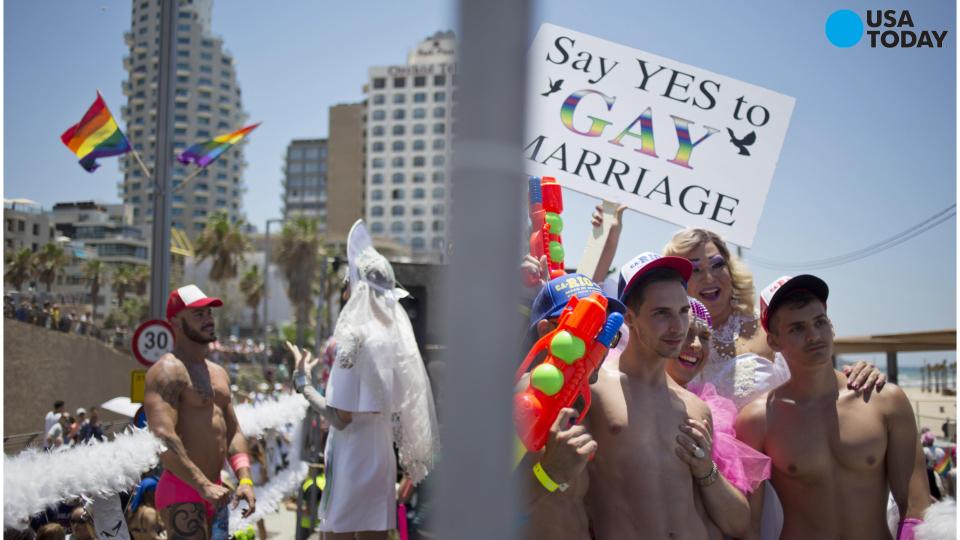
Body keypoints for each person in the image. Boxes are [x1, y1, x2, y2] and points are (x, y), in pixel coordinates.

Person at [528, 253, 750, 539]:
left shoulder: (696, 408)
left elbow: (736, 522)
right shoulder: (590, 391)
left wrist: (706, 470)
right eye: (662, 313)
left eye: (683, 311)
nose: (677, 326)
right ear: (630, 318)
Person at [736, 275, 930, 539]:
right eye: (797, 328)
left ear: (832, 326)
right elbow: (750, 525)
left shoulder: (885, 401)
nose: (814, 335)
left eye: (820, 322)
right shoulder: (758, 421)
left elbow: (916, 506)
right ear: (774, 342)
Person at [289, 219, 439, 540]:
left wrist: (304, 385)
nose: (343, 292)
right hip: (380, 451)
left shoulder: (353, 338)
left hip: (352, 452)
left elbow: (341, 418)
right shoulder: (395, 337)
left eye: (346, 285)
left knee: (337, 534)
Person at [144, 284, 256, 539]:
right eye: (198, 314)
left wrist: (245, 479)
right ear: (175, 322)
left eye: (209, 313)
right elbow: (162, 437)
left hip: (216, 489)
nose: (208, 319)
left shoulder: (218, 373)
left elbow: (233, 432)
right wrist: (201, 484)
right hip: (183, 489)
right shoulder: (167, 371)